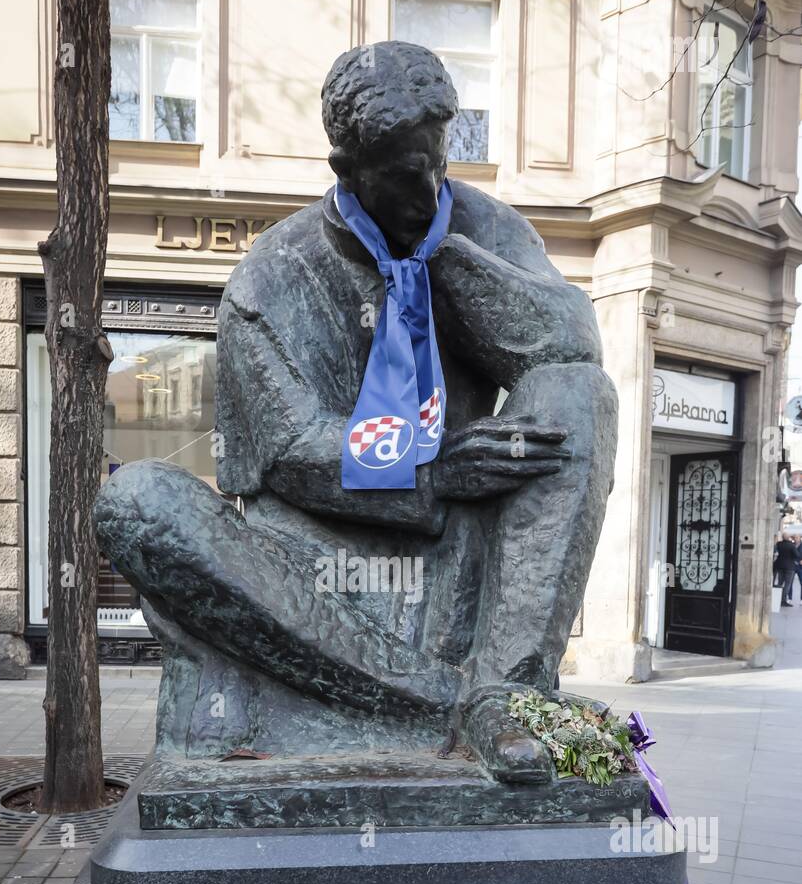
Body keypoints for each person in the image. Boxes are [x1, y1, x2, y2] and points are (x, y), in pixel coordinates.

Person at [94, 42, 618, 781]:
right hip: (309, 570)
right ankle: (444, 703)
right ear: (348, 172)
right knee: (136, 501)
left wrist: (442, 257)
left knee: (579, 394)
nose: (433, 187)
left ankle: (505, 688)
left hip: (453, 558)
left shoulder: (479, 225)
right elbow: (289, 451)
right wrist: (431, 471)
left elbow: (568, 344)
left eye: (442, 162)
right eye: (409, 175)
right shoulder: (272, 273)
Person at [774, 534, 798, 606]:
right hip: (789, 567)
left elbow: (775, 551)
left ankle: (777, 599)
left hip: (779, 566)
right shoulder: (791, 545)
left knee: (780, 583)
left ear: (782, 537)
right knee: (787, 584)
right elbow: (797, 555)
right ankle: (783, 601)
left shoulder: (779, 544)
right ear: (789, 538)